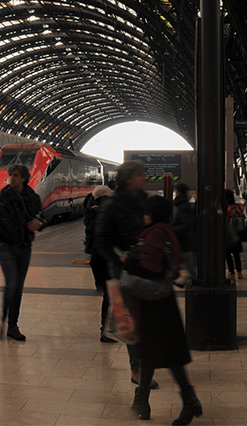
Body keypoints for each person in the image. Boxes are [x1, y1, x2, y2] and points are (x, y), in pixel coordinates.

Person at [128, 195, 201, 425]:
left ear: (151, 213)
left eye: (146, 211)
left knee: (167, 354)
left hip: (154, 302)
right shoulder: (165, 230)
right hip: (161, 300)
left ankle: (188, 401)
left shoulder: (156, 233)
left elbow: (150, 268)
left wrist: (129, 262)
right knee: (151, 352)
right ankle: (143, 401)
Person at [97, 160, 151, 388]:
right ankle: (136, 369)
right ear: (129, 178)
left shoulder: (143, 200)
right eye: (140, 175)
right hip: (123, 269)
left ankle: (144, 365)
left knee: (146, 318)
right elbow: (102, 241)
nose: (144, 178)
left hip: (146, 265)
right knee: (130, 320)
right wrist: (120, 256)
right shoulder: (112, 205)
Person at [0, 164, 42, 341]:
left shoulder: (32, 197)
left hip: (24, 247)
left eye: (16, 175)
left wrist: (39, 223)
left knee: (18, 288)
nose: (12, 178)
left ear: (24, 178)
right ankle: (2, 320)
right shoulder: (2, 198)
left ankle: (12, 326)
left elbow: (42, 215)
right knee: (11, 284)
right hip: (7, 248)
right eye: (11, 175)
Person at [83, 185, 115, 342]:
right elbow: (107, 241)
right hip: (103, 260)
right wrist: (121, 256)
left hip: (97, 260)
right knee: (110, 296)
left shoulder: (92, 214)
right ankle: (106, 331)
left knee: (108, 296)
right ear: (103, 200)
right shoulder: (101, 216)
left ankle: (107, 330)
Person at [171, 183, 196, 287]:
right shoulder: (184, 205)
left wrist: (173, 229)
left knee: (190, 266)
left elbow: (186, 224)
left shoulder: (183, 206)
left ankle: (195, 285)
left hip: (187, 241)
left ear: (178, 192)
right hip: (187, 241)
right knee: (189, 265)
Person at [222, 189, 245, 281]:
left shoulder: (226, 207)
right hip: (237, 234)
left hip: (228, 234)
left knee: (228, 254)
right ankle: (240, 273)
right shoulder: (237, 206)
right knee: (236, 254)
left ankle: (231, 273)